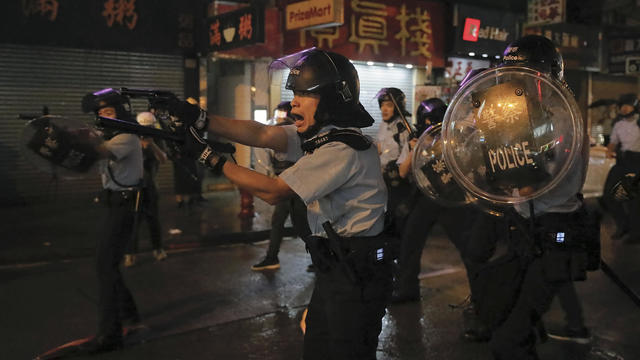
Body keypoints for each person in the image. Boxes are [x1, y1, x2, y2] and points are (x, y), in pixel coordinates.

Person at [169, 48, 393, 359]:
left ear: (331, 98)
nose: (294, 102)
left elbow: (273, 191)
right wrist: (201, 119)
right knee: (317, 348)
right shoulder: (323, 135)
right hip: (336, 267)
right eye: (295, 93)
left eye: (305, 94)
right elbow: (262, 133)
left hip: (358, 274)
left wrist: (209, 158)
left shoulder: (343, 148)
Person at [469, 35, 595, 359]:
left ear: (547, 74)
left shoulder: (561, 116)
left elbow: (532, 183)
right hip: (525, 228)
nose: (516, 82)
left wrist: (506, 176)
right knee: (501, 315)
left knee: (509, 340)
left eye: (525, 74)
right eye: (512, 75)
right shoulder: (518, 111)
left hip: (554, 228)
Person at [80, 89, 144, 353]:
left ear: (121, 112)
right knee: (109, 264)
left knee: (105, 265)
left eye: (109, 112)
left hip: (124, 206)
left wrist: (74, 138)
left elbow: (98, 152)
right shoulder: (111, 137)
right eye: (101, 113)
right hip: (114, 204)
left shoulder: (126, 137)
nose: (104, 116)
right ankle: (129, 314)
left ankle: (110, 334)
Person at [252, 101, 311, 271]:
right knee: (278, 222)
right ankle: (272, 257)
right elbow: (269, 157)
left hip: (298, 189)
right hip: (282, 186)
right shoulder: (278, 137)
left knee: (303, 225)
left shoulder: (300, 138)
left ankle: (320, 257)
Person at [123, 111, 168, 267]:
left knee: (153, 219)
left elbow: (163, 159)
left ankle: (158, 249)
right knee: (133, 221)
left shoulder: (156, 139)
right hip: (133, 185)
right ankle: (130, 253)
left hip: (150, 185)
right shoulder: (131, 138)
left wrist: (152, 145)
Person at [603, 93, 640, 242]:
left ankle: (635, 233)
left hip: (637, 161)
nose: (624, 108)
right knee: (608, 195)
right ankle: (623, 225)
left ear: (635, 106)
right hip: (622, 161)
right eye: (622, 105)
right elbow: (613, 142)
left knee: (634, 200)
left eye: (628, 105)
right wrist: (609, 151)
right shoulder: (618, 124)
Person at [375, 87, 413, 217]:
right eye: (382, 105)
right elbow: (379, 149)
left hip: (398, 184)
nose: (384, 109)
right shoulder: (383, 125)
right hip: (383, 181)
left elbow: (406, 163)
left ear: (397, 107)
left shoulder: (404, 130)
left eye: (389, 105)